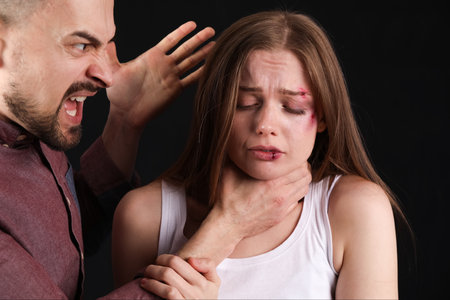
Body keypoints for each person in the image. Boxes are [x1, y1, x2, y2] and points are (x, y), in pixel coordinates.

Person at [0, 1, 312, 299]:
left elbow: (53, 236)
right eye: (81, 46)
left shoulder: (29, 125)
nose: (108, 75)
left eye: (107, 44)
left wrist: (125, 122)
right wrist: (226, 228)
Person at [113, 10, 410, 299]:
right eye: (245, 103)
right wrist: (228, 224)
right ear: (217, 110)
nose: (265, 125)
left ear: (323, 117)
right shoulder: (145, 217)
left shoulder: (355, 210)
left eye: (293, 107)